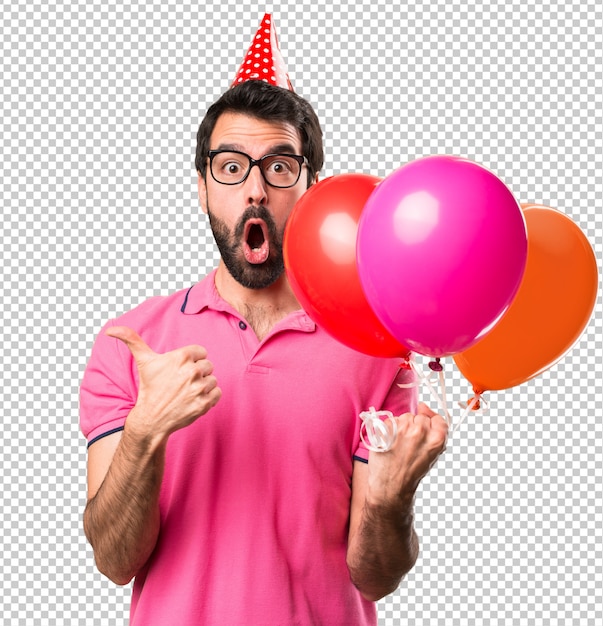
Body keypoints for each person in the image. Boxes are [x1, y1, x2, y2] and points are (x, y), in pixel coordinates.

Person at [80, 16, 448, 626]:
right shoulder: (131, 345)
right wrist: (145, 432)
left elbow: (376, 575)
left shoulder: (378, 349)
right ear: (202, 187)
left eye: (279, 167)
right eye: (230, 167)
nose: (255, 189)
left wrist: (391, 496)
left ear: (311, 187)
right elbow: (115, 560)